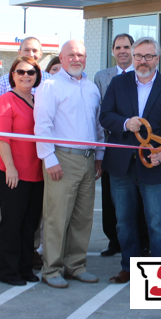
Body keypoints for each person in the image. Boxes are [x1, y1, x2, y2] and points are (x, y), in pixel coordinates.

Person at [100, 37, 161, 283]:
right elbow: (105, 116)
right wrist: (126, 123)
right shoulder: (118, 83)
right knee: (124, 221)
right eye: (138, 56)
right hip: (122, 165)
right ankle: (128, 268)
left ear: (157, 59)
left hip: (155, 164)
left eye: (148, 56)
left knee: (158, 222)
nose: (142, 61)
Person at [34, 40, 104, 289]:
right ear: (61, 58)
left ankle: (76, 266)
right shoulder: (50, 86)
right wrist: (49, 158)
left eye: (81, 55)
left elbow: (98, 126)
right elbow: (42, 125)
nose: (76, 59)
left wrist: (99, 156)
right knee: (57, 216)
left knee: (82, 217)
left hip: (88, 160)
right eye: (71, 55)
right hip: (61, 159)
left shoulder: (91, 88)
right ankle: (51, 268)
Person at [0, 36, 51, 271]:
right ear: (12, 74)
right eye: (21, 71)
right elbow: (2, 137)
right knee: (12, 223)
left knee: (29, 224)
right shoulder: (6, 100)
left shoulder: (39, 100)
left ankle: (24, 266)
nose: (26, 76)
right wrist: (10, 168)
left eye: (31, 72)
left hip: (36, 173)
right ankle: (8, 269)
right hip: (12, 171)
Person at [93, 33, 150, 258]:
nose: (122, 51)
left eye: (127, 47)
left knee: (139, 199)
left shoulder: (147, 75)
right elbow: (100, 112)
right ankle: (114, 240)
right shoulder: (102, 77)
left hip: (141, 146)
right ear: (113, 51)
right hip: (112, 145)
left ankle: (142, 242)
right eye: (118, 47)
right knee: (111, 198)